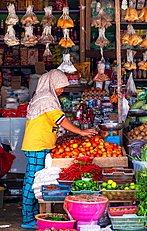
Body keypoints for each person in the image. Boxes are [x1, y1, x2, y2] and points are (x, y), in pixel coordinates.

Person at [20, 69, 97, 229]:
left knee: (35, 180)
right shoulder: (46, 99)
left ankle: (33, 215)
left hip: (41, 145)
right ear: (51, 84)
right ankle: (28, 218)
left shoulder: (44, 98)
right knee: (32, 181)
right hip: (37, 146)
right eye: (60, 86)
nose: (62, 90)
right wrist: (80, 131)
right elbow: (60, 119)